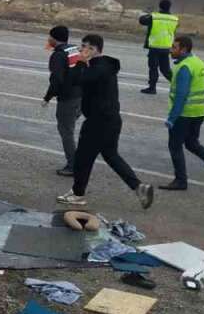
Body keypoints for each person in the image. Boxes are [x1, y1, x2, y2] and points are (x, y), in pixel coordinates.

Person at [58, 34, 156, 209]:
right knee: (111, 155)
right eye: (82, 46)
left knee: (82, 158)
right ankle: (139, 187)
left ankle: (78, 194)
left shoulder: (97, 68)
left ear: (95, 50)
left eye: (87, 47)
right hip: (110, 120)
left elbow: (75, 80)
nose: (82, 50)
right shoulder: (103, 66)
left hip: (99, 122)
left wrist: (80, 62)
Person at [158, 36, 204, 192]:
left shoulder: (184, 67)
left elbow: (181, 95)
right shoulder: (197, 62)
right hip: (199, 112)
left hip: (185, 113)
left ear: (183, 49)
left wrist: (172, 118)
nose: (171, 50)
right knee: (192, 144)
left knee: (175, 146)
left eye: (174, 47)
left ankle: (180, 180)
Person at [42, 25, 81, 176]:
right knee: (69, 128)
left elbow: (57, 80)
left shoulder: (58, 55)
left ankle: (73, 165)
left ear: (54, 38)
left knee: (66, 131)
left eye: (49, 36)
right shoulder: (74, 49)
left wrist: (47, 98)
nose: (48, 39)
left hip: (68, 98)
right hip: (81, 96)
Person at [138, 0, 178, 94]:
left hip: (155, 46)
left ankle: (152, 88)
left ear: (160, 6)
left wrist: (150, 13)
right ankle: (178, 85)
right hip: (166, 47)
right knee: (165, 69)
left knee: (153, 68)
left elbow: (141, 20)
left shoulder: (154, 17)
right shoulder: (174, 19)